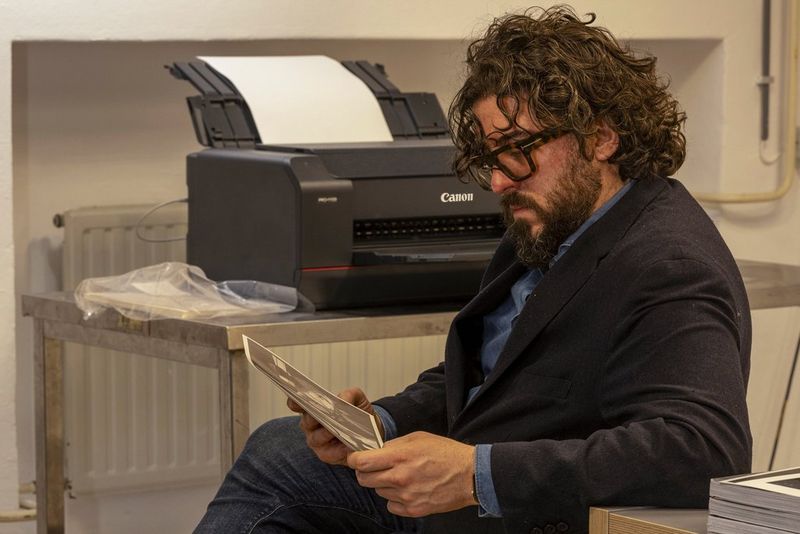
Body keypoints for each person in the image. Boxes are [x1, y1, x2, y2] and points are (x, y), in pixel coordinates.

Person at [195, 5, 752, 533]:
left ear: (601, 137)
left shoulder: (668, 264)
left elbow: (702, 450)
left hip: (531, 513)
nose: (498, 182)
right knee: (281, 447)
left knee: (278, 465)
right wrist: (382, 423)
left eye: (518, 147)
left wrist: (474, 475)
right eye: (490, 156)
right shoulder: (551, 222)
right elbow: (491, 378)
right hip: (474, 499)